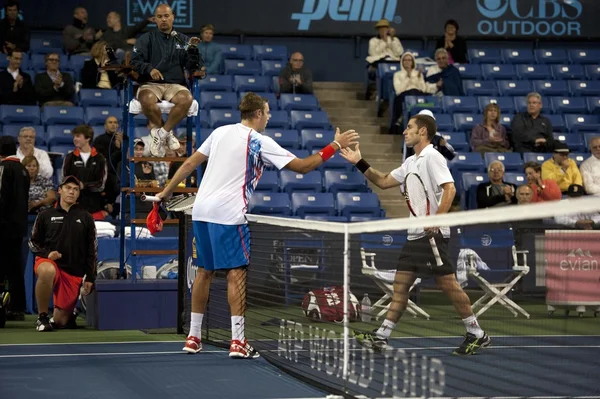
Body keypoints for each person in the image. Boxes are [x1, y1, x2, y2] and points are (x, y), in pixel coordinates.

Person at [154, 93, 359, 358]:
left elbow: (191, 163)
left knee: (204, 271)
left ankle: (193, 337)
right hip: (228, 215)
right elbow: (303, 167)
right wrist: (334, 145)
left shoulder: (220, 132)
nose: (270, 116)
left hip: (201, 211)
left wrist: (165, 193)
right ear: (258, 114)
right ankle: (238, 341)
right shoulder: (259, 141)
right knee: (235, 274)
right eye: (268, 112)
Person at [339, 114, 490, 355]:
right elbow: (384, 180)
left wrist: (436, 219)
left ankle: (476, 332)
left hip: (433, 236)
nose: (404, 131)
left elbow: (449, 188)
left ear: (422, 132)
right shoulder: (411, 162)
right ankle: (381, 336)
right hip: (415, 236)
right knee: (401, 286)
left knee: (448, 285)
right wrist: (360, 162)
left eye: (409, 128)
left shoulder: (433, 157)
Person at [131, 3, 202, 157]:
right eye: (159, 17)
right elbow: (135, 61)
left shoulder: (183, 40)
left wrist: (192, 51)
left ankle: (161, 133)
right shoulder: (146, 39)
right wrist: (150, 69)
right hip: (150, 84)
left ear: (173, 18)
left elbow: (192, 66)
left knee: (187, 98)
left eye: (166, 16)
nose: (163, 19)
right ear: (155, 20)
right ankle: (168, 135)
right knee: (147, 98)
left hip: (175, 84)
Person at [29, 175, 97, 331]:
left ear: (79, 193)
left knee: (61, 322)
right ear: (60, 190)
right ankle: (42, 318)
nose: (71, 192)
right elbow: (33, 242)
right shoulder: (45, 215)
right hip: (49, 262)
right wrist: (47, 254)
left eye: (75, 189)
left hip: (73, 271)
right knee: (47, 270)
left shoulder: (86, 217)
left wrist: (90, 276)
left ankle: (65, 314)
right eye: (67, 188)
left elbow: (91, 249)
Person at [0, 136, 29, 322]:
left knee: (3, 267)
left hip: (4, 226)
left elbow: (1, 198)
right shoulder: (23, 170)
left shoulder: (4, 168)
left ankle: (4, 307)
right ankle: (18, 307)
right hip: (19, 226)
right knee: (15, 268)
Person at [62, 124, 109, 220]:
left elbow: (101, 184)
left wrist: (84, 185)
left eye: (78, 136)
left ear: (87, 138)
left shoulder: (100, 159)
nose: (75, 139)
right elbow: (64, 180)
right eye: (74, 136)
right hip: (73, 206)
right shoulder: (69, 158)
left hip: (94, 206)